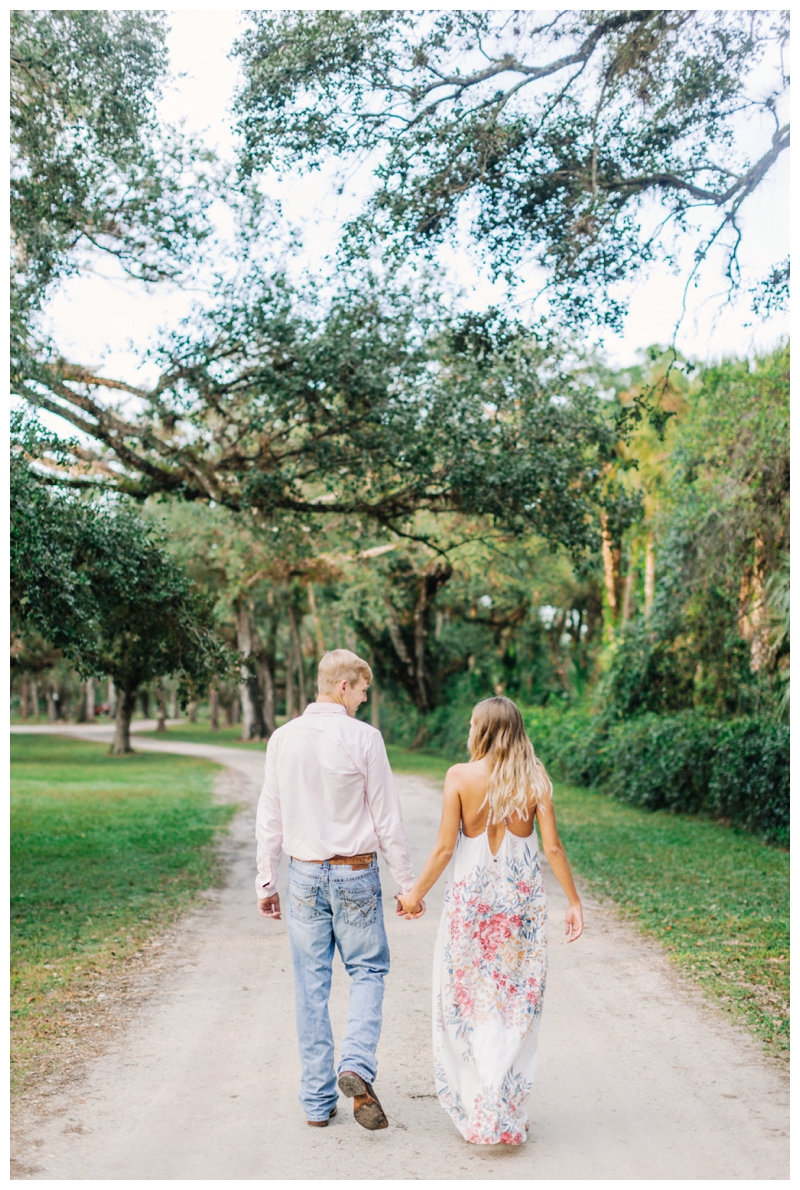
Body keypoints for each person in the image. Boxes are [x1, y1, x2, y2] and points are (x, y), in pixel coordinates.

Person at [397, 696, 583, 1145]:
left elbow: (444, 849)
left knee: (466, 1005)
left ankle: (481, 1108)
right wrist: (574, 902)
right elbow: (552, 848)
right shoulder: (535, 779)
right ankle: (504, 1110)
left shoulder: (460, 777)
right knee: (516, 1008)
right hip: (520, 912)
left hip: (470, 910)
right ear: (517, 729)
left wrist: (412, 896)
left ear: (481, 730)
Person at [255, 649, 423, 1130]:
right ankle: (355, 1066)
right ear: (344, 686)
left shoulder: (282, 739)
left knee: (311, 987)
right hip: (355, 874)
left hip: (304, 874)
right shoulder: (365, 739)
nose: (365, 699)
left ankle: (315, 1104)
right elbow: (387, 819)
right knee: (368, 971)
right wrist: (407, 885)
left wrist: (267, 881)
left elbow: (271, 817)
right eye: (363, 690)